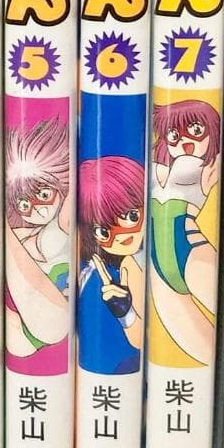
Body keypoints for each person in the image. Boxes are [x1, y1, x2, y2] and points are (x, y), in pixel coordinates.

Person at [150, 98, 221, 364]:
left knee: (214, 347)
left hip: (190, 249)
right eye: (174, 135)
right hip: (157, 266)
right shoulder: (158, 164)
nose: (184, 142)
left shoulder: (209, 165)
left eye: (196, 131)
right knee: (199, 351)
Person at [5, 118, 71, 375]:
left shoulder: (59, 228)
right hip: (21, 325)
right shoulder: (24, 232)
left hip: (51, 317)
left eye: (44, 195)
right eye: (24, 205)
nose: (36, 209)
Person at [78, 156, 145, 374]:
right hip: (99, 367)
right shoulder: (92, 269)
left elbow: (138, 339)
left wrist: (125, 311)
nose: (123, 235)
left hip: (130, 370)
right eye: (104, 231)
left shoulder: (133, 264)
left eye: (132, 216)